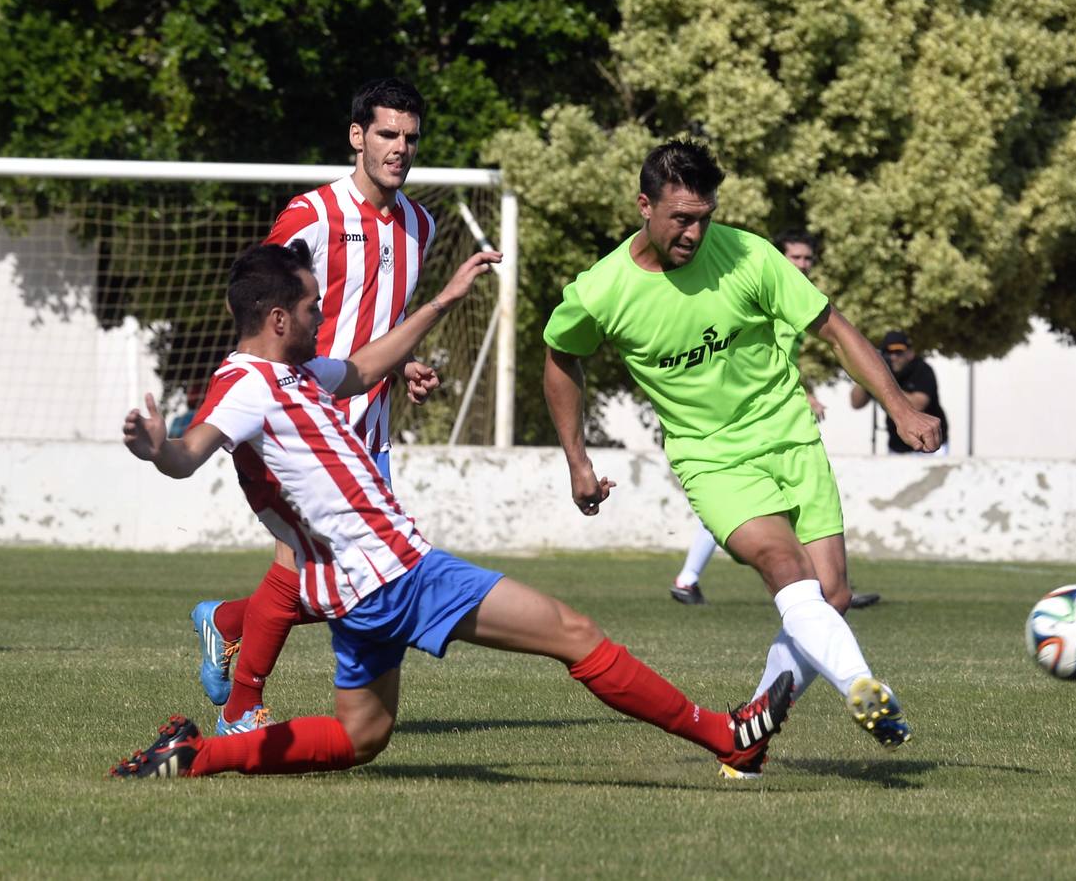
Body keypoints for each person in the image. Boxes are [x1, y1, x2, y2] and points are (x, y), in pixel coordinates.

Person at [110, 241, 792, 780]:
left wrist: (442, 300)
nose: (322, 316)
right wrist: (156, 447)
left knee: (361, 735)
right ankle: (726, 737)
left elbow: (368, 367)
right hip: (396, 573)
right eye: (315, 306)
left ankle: (194, 755)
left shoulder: (294, 375)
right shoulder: (247, 388)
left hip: (358, 588)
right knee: (572, 631)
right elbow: (189, 453)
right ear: (278, 318)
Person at [542, 141, 942, 778]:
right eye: (680, 218)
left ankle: (748, 735)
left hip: (792, 439)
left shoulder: (749, 254)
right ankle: (864, 686)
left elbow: (833, 326)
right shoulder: (601, 291)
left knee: (830, 595)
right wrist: (576, 459)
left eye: (704, 216)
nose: (695, 232)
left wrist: (898, 407)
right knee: (785, 566)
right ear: (644, 207)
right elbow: (562, 360)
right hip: (714, 460)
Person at [188, 78, 444, 736]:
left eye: (410, 137)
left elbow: (374, 321)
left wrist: (403, 364)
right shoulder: (312, 215)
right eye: (387, 134)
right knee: (302, 564)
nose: (399, 148)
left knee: (359, 579)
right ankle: (243, 709)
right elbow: (261, 299)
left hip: (372, 425)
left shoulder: (421, 224)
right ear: (357, 137)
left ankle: (227, 623)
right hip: (306, 421)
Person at [671, 230, 880, 611]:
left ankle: (691, 578)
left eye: (807, 260)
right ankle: (690, 578)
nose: (802, 265)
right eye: (795, 258)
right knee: (745, 508)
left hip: (757, 427)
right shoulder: (768, 294)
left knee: (750, 509)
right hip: (743, 428)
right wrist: (804, 394)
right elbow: (765, 368)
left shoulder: (787, 294)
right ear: (778, 256)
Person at [850, 331, 948, 456]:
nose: (893, 357)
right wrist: (866, 374)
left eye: (898, 352)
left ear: (910, 353)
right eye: (888, 353)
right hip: (897, 446)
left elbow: (918, 404)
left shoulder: (922, 370)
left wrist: (884, 384)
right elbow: (856, 403)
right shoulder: (882, 373)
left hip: (929, 446)